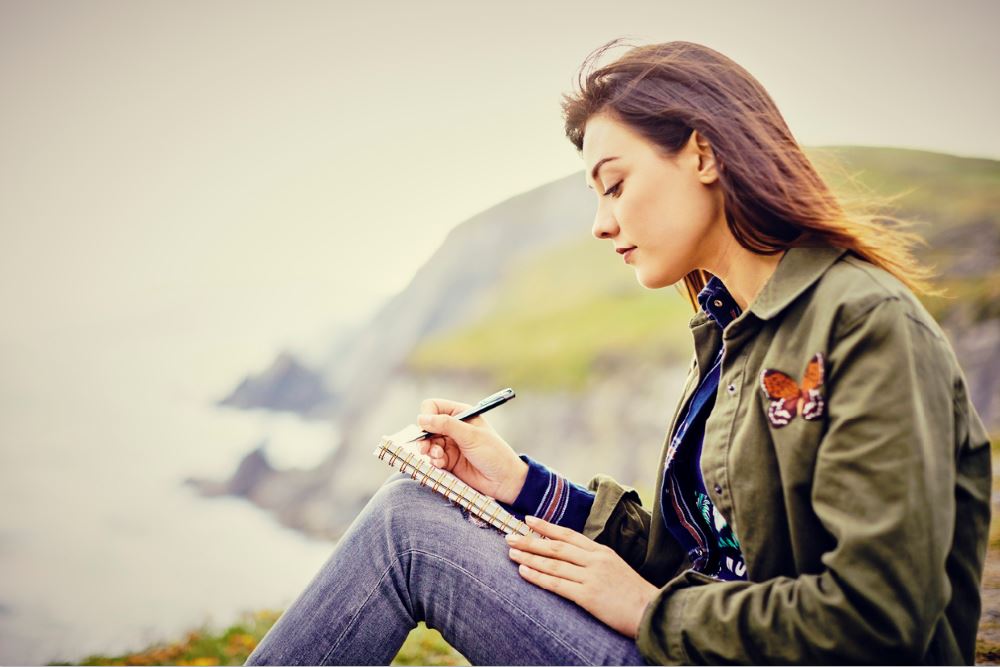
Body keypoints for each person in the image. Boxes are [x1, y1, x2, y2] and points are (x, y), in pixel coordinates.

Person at [245, 39, 992, 666]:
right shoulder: (734, 332)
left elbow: (880, 617)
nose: (602, 224)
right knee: (414, 509)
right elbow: (690, 559)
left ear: (703, 153)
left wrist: (649, 612)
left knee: (406, 530)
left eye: (615, 184)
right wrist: (519, 484)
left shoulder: (862, 323)